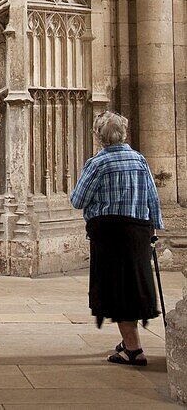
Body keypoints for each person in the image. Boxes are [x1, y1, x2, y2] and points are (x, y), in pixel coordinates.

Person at [70, 110, 163, 366]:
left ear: (98, 136)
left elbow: (78, 200)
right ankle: (129, 343)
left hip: (110, 234)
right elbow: (152, 199)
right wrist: (154, 230)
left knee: (118, 291)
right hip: (139, 232)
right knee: (133, 286)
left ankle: (134, 350)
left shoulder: (98, 163)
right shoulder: (139, 160)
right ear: (124, 133)